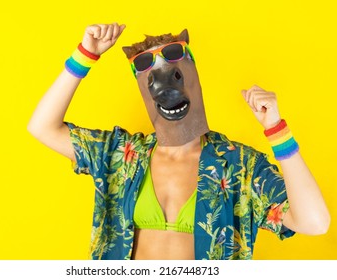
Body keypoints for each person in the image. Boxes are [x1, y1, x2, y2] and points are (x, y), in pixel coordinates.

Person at [27, 23, 330, 260]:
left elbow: (315, 223)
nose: (163, 78)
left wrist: (276, 129)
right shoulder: (121, 155)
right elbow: (42, 127)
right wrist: (85, 55)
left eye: (173, 64)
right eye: (149, 70)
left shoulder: (239, 166)